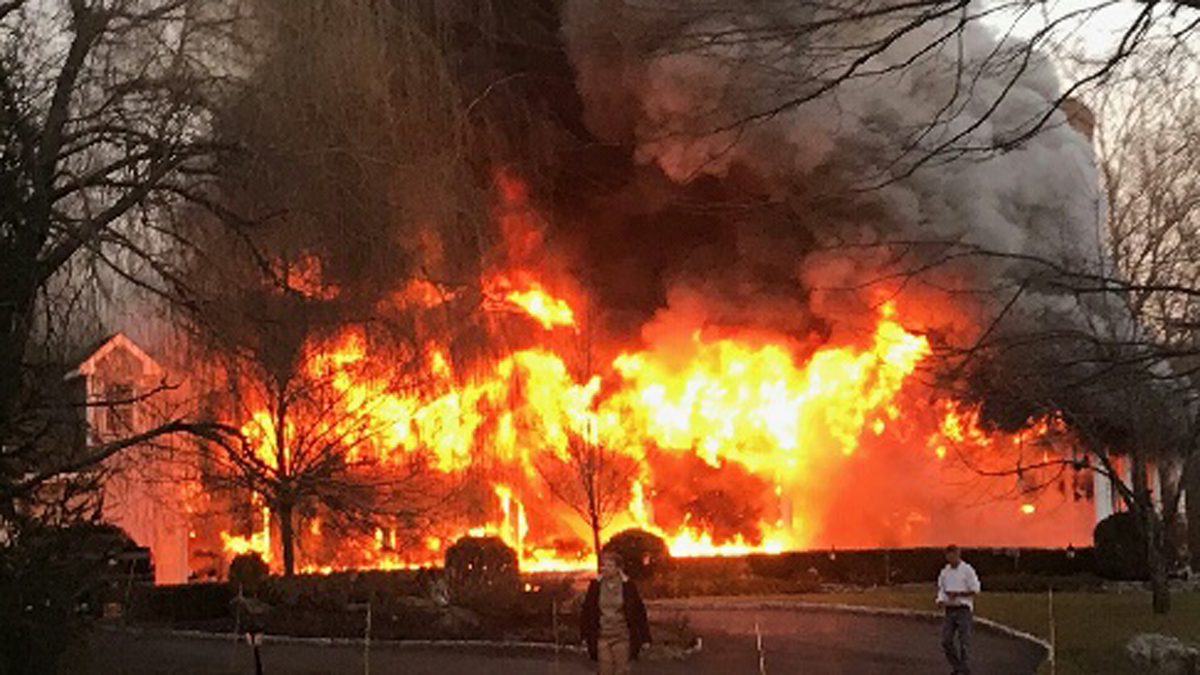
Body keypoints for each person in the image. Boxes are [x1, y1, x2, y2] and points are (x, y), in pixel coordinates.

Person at [581, 551, 651, 675]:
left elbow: (639, 612)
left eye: (609, 566)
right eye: (603, 565)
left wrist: (645, 637)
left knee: (621, 670)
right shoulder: (596, 586)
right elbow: (587, 611)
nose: (605, 569)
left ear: (618, 568)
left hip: (622, 635)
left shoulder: (628, 587)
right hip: (602, 635)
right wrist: (584, 635)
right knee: (605, 670)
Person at [937, 544, 981, 675]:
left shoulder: (967, 570)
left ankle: (964, 668)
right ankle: (958, 667)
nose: (950, 558)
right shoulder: (944, 572)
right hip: (949, 609)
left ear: (958, 555)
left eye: (953, 555)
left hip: (963, 609)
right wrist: (940, 600)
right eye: (948, 555)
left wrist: (958, 594)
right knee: (946, 640)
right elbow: (941, 589)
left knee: (964, 641)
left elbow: (975, 589)